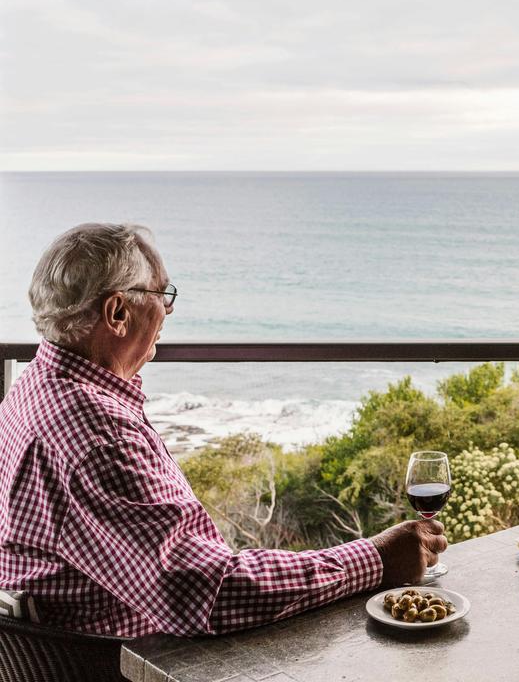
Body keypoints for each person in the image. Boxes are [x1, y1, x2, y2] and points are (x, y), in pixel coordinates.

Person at [0, 223, 447, 638]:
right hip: (127, 663)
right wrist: (376, 558)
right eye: (162, 294)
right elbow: (206, 595)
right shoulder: (97, 435)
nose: (168, 310)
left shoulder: (35, 386)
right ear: (118, 312)